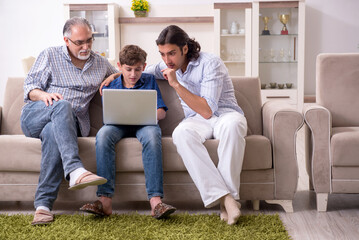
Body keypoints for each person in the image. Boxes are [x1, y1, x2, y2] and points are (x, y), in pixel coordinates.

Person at [144, 25, 247, 225]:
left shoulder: (210, 63)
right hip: (196, 120)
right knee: (181, 133)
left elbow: (208, 110)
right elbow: (140, 71)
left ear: (184, 48)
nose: (167, 60)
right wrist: (115, 75)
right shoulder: (166, 66)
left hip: (225, 114)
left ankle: (226, 202)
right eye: (162, 54)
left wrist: (176, 84)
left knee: (233, 127)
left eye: (171, 53)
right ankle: (227, 198)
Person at [20, 17, 118, 225]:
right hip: (37, 114)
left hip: (69, 124)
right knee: (62, 104)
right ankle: (74, 169)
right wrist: (43, 95)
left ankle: (43, 207)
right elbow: (30, 87)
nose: (86, 46)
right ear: (66, 40)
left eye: (89, 40)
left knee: (52, 133)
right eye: (79, 42)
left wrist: (113, 76)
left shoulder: (100, 64)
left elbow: (126, 74)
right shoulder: (50, 55)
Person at [80, 45, 176, 219]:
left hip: (146, 124)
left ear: (144, 67)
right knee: (102, 136)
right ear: (119, 66)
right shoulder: (111, 84)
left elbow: (161, 112)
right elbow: (108, 115)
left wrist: (147, 115)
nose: (133, 75)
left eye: (138, 69)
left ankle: (156, 203)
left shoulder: (149, 80)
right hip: (117, 124)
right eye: (128, 69)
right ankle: (104, 201)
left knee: (153, 137)